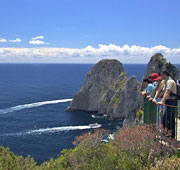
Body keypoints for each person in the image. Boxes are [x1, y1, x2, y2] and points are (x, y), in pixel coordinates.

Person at [156, 70, 177, 138]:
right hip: (169, 101)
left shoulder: (170, 81)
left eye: (162, 75)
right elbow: (163, 92)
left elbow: (167, 92)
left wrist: (162, 101)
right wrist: (155, 98)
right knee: (168, 119)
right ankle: (169, 135)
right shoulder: (167, 81)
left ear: (165, 74)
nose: (161, 76)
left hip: (171, 101)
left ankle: (169, 135)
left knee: (168, 119)